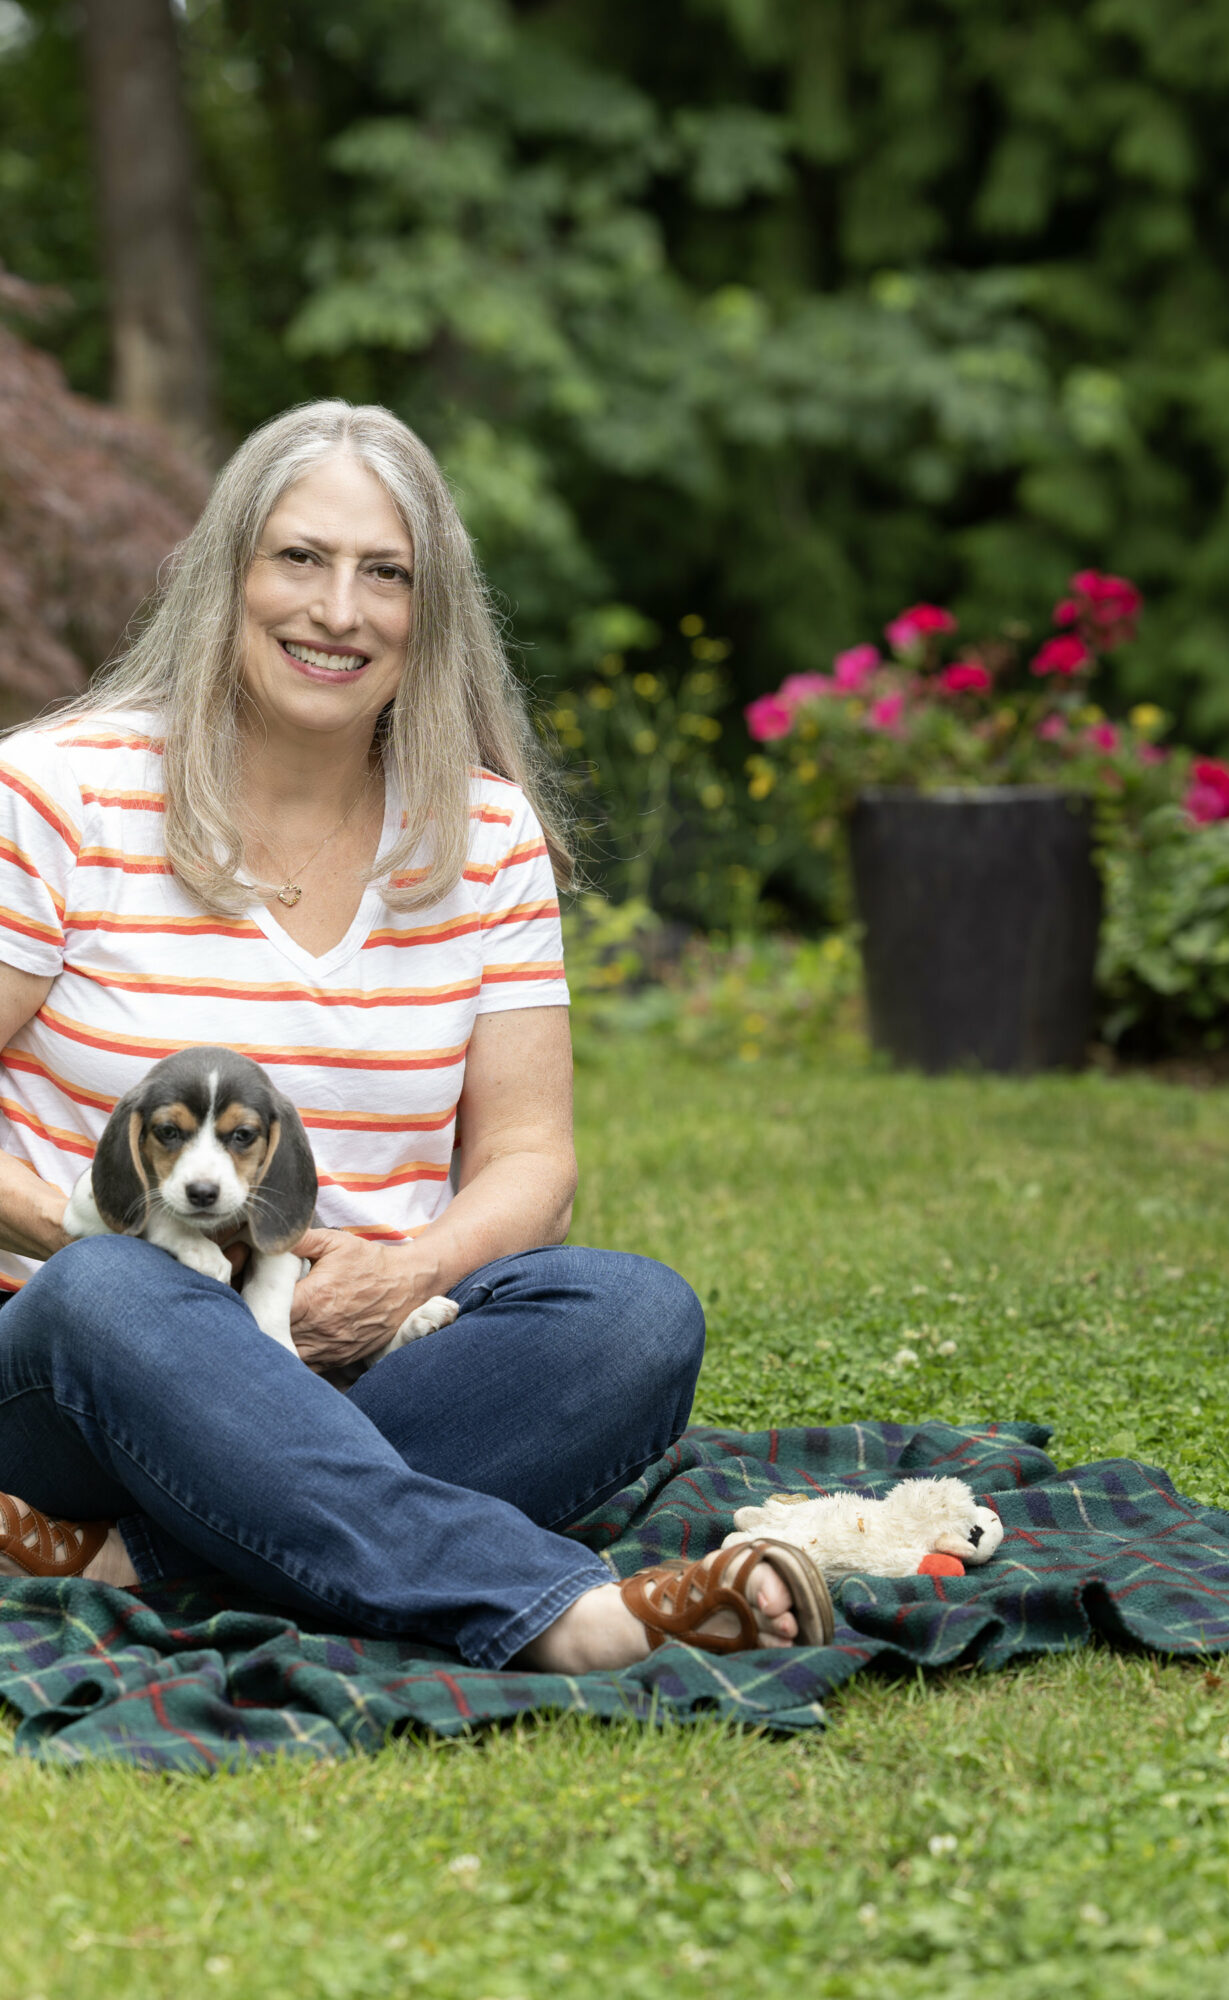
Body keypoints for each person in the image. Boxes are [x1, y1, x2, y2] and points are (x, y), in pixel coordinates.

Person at [0, 401, 829, 1669]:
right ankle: (563, 1611)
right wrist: (118, 1237)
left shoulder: (483, 839)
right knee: (114, 1289)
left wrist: (407, 1271)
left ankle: (138, 1559)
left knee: (633, 1315)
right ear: (224, 575)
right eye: (299, 558)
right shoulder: (60, 792)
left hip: (358, 1346)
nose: (339, 609)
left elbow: (532, 1164)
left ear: (427, 613)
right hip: (76, 1358)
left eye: (384, 573)